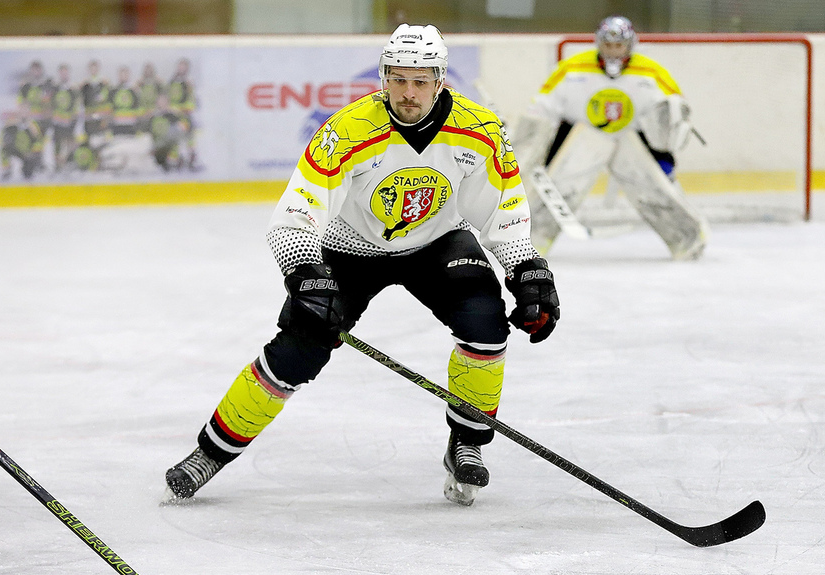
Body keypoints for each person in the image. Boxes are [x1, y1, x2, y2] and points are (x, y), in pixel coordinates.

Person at [165, 24, 559, 508]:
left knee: (486, 326)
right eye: (399, 79)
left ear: (440, 82)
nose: (408, 92)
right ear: (383, 78)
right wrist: (306, 274)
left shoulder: (480, 130)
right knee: (298, 350)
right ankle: (208, 454)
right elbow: (295, 216)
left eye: (420, 81)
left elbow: (503, 213)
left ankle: (467, 443)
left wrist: (526, 271)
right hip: (349, 249)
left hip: (437, 242)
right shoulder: (346, 131)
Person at [513, 16, 707, 259]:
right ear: (598, 43)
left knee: (657, 188)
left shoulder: (651, 72)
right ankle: (531, 241)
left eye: (618, 45)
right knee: (558, 187)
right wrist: (529, 148)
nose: (613, 51)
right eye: (608, 45)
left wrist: (670, 135)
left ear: (630, 45)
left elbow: (674, 113)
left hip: (633, 138)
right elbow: (541, 110)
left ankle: (687, 238)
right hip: (581, 136)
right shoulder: (571, 68)